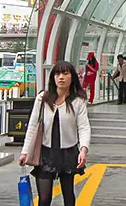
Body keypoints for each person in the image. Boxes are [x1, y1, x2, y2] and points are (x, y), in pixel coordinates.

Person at [19, 61, 91, 206]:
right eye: (57, 74)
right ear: (52, 77)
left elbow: (84, 127)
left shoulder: (78, 101)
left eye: (65, 73)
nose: (61, 77)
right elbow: (33, 126)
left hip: (68, 153)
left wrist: (83, 150)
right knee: (44, 199)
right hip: (46, 153)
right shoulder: (43, 99)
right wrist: (25, 152)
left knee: (68, 196)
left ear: (72, 78)